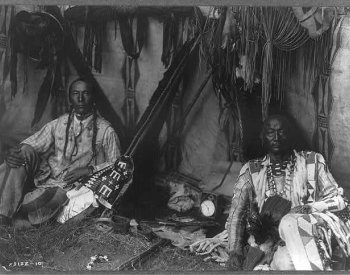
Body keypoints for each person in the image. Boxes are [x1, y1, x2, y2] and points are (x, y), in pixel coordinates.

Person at [226, 114, 350, 271]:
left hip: (309, 237)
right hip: (270, 245)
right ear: (262, 136)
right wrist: (234, 251)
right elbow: (237, 214)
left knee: (287, 259)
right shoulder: (251, 171)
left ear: (291, 135)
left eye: (281, 131)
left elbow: (339, 201)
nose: (276, 137)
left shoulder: (312, 162)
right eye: (271, 132)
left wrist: (310, 208)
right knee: (283, 261)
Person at [0, 77, 121, 226]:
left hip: (69, 188)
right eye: (76, 93)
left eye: (86, 93)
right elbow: (32, 143)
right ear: (70, 98)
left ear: (93, 97)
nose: (81, 99)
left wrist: (90, 170)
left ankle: (16, 216)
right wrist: (15, 153)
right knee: (23, 153)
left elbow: (118, 167)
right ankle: (3, 214)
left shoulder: (105, 130)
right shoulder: (60, 123)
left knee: (28, 215)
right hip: (46, 179)